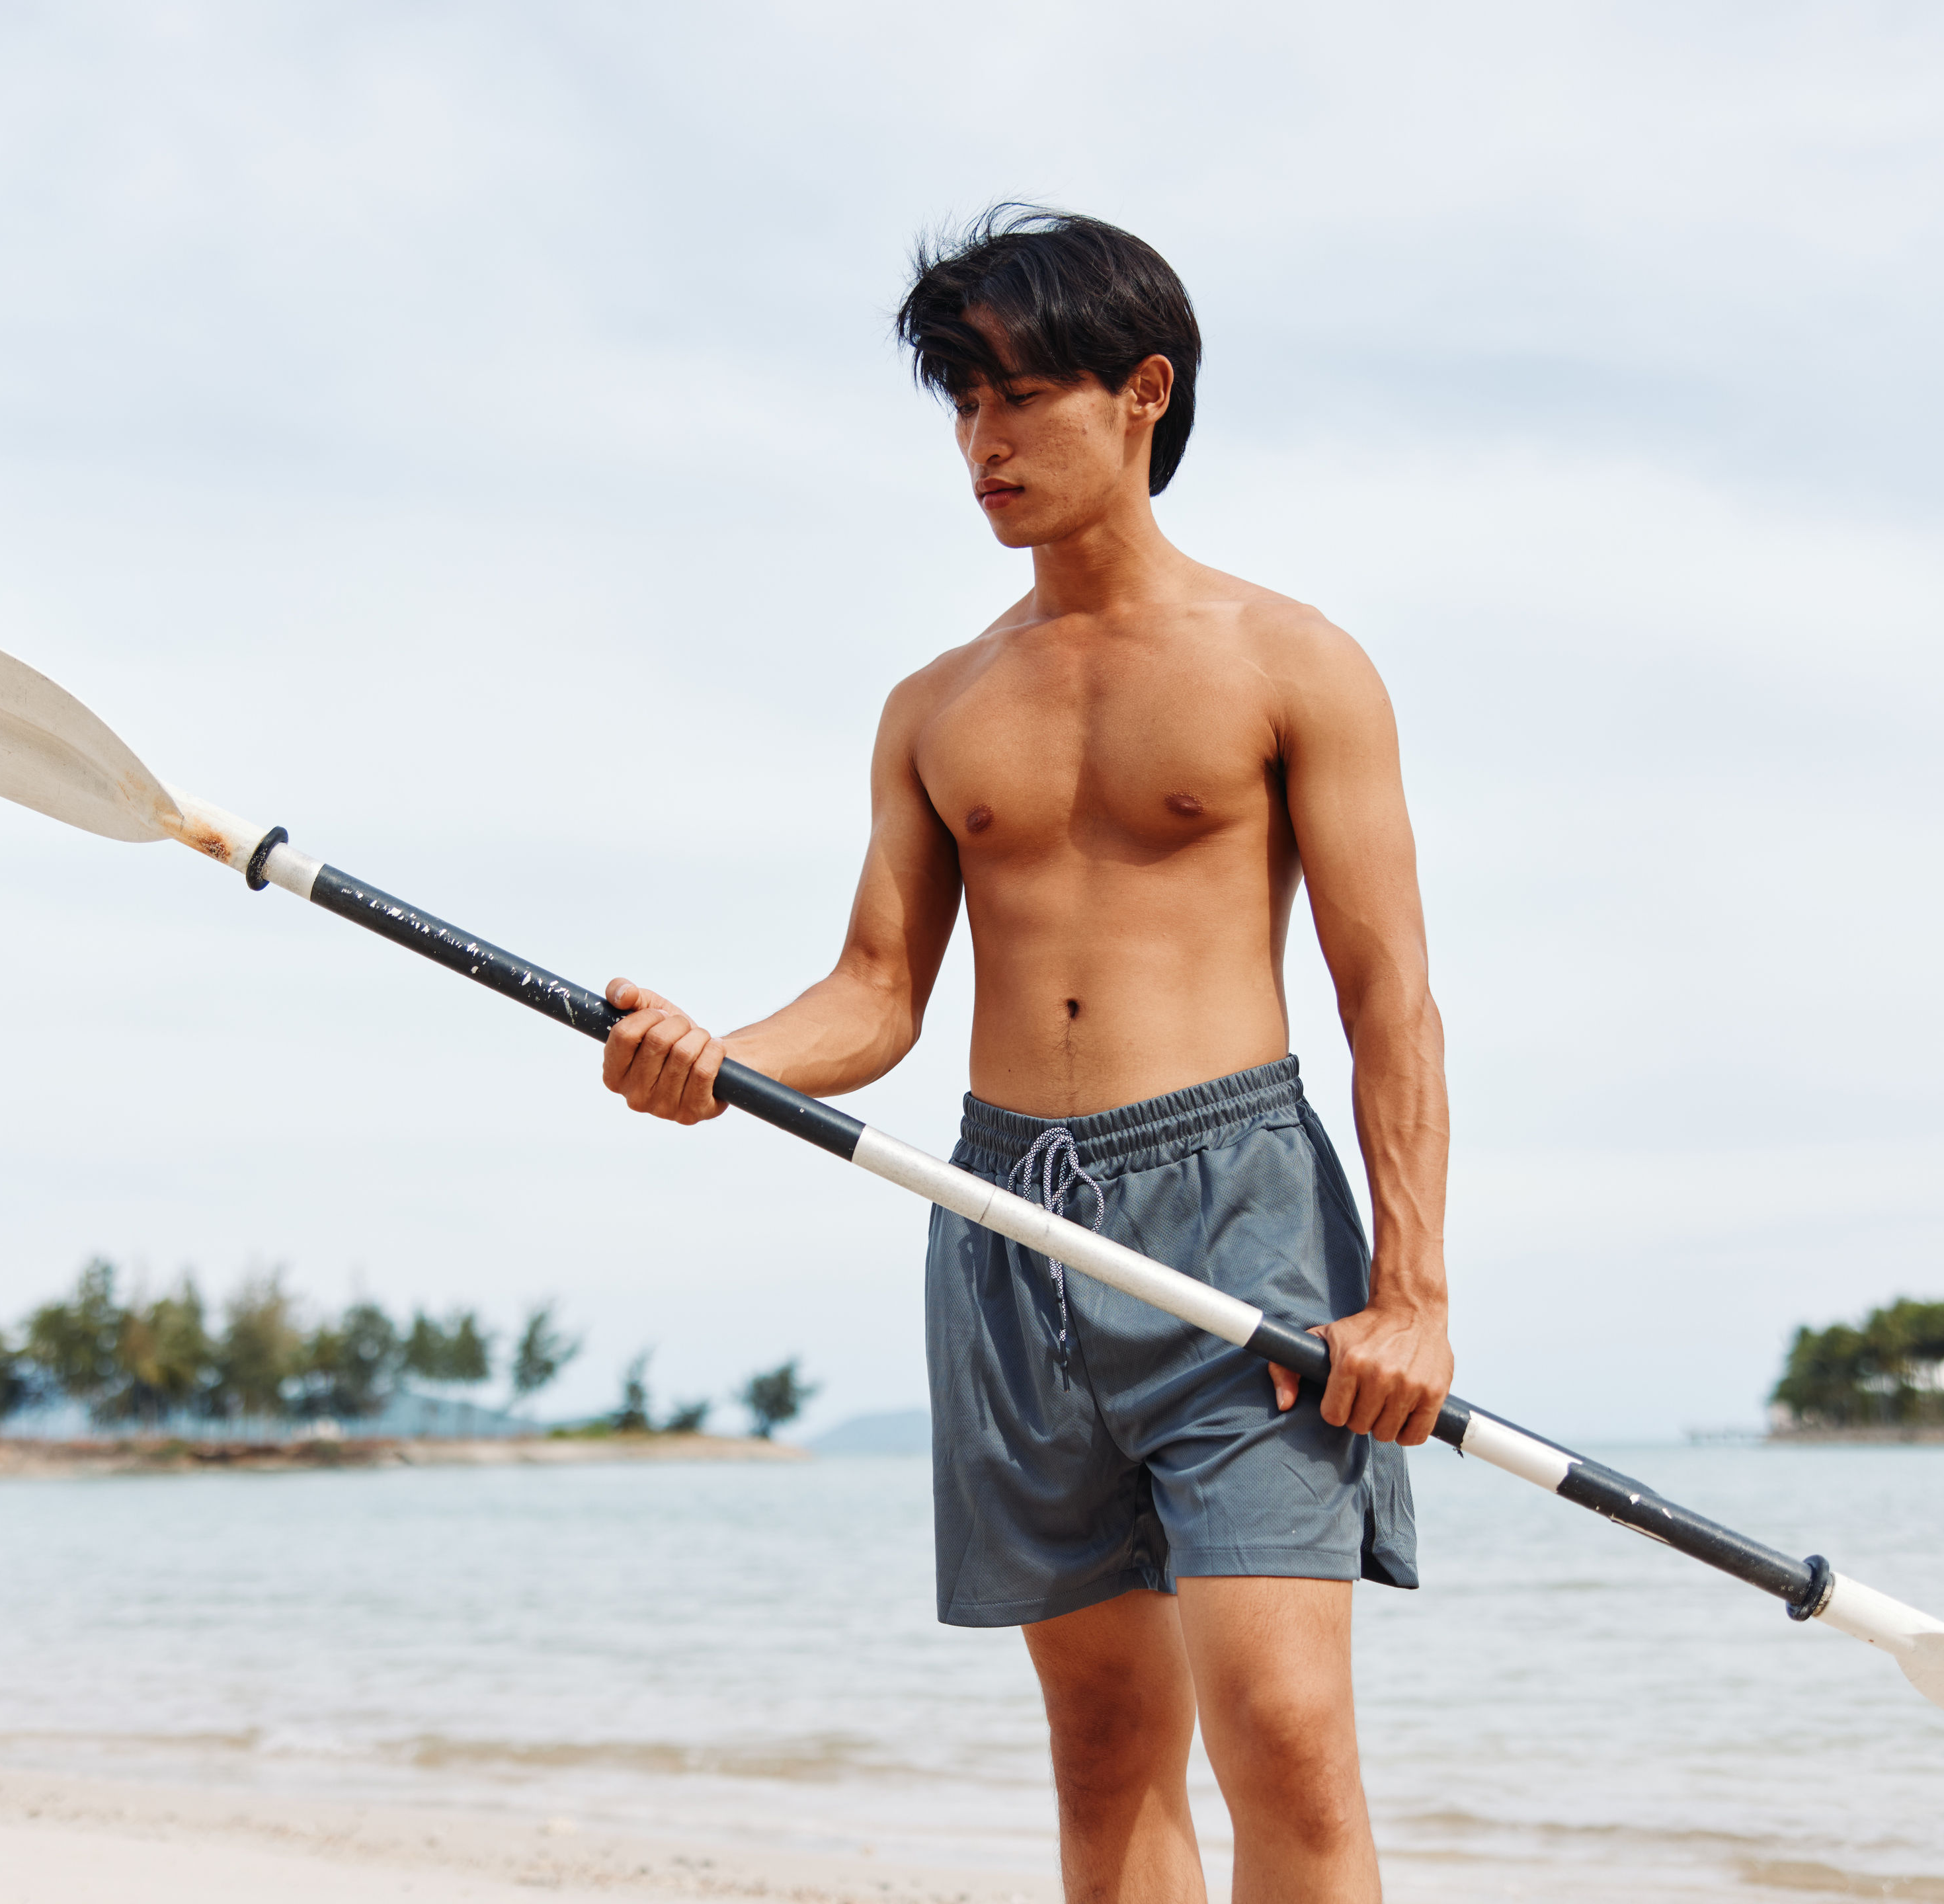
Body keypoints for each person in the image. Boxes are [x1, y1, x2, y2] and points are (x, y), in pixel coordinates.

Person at [600, 206, 1453, 1903]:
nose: (984, 443)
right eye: (962, 405)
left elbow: (1388, 997)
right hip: (1001, 1223)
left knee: (1284, 1733)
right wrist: (718, 1056)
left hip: (1240, 1217)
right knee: (1101, 1748)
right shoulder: (935, 704)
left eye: (1020, 396)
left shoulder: (1293, 663)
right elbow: (874, 993)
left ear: (1143, 395)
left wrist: (1412, 1292)